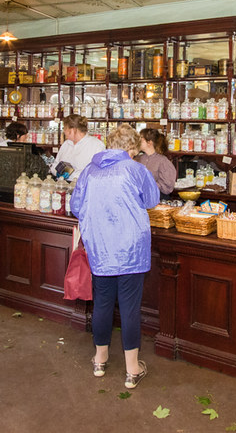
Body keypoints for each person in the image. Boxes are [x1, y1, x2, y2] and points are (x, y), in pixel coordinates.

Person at [69, 124, 159, 390]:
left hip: (101, 246)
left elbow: (76, 206)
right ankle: (132, 370)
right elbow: (152, 200)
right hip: (131, 247)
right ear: (132, 148)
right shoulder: (135, 169)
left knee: (103, 303)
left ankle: (100, 359)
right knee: (130, 307)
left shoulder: (90, 170)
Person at [49, 114, 104, 180]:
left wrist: (71, 176)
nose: (64, 131)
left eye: (65, 128)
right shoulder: (66, 144)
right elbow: (55, 164)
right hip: (62, 186)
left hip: (82, 187)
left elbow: (96, 172)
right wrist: (57, 172)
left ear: (73, 130)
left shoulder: (96, 145)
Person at [134, 128, 176, 195]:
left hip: (157, 199)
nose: (138, 142)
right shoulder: (138, 158)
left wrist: (149, 185)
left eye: (141, 139)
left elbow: (167, 187)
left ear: (149, 142)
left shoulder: (163, 161)